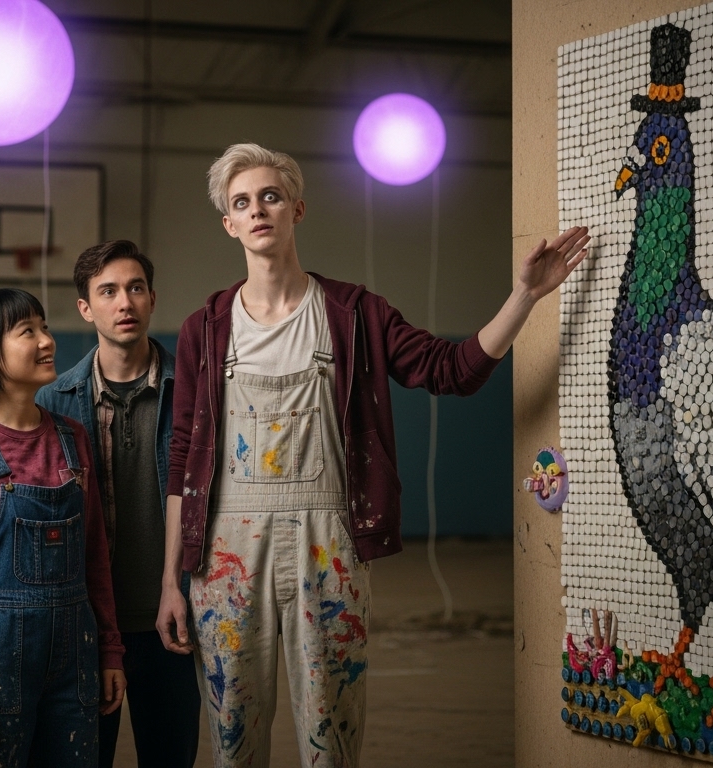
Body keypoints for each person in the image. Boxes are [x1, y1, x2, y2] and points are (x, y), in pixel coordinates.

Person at [156, 143, 590, 767]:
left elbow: (455, 371)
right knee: (232, 742)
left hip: (328, 542)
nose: (258, 211)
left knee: (331, 739)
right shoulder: (206, 327)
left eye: (271, 196)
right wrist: (172, 578)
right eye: (242, 202)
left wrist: (525, 296)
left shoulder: (354, 314)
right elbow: (182, 462)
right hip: (224, 552)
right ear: (228, 223)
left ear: (297, 209)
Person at [0, 288, 127, 767]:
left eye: (44, 327)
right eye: (27, 332)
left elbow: (94, 557)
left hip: (74, 663)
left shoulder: (72, 439)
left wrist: (111, 651)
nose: (46, 341)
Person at [36, 240, 201, 768]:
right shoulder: (52, 401)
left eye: (134, 288)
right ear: (86, 308)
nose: (123, 302)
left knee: (170, 756)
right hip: (85, 624)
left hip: (173, 618)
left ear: (152, 298)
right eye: (107, 291)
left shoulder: (194, 393)